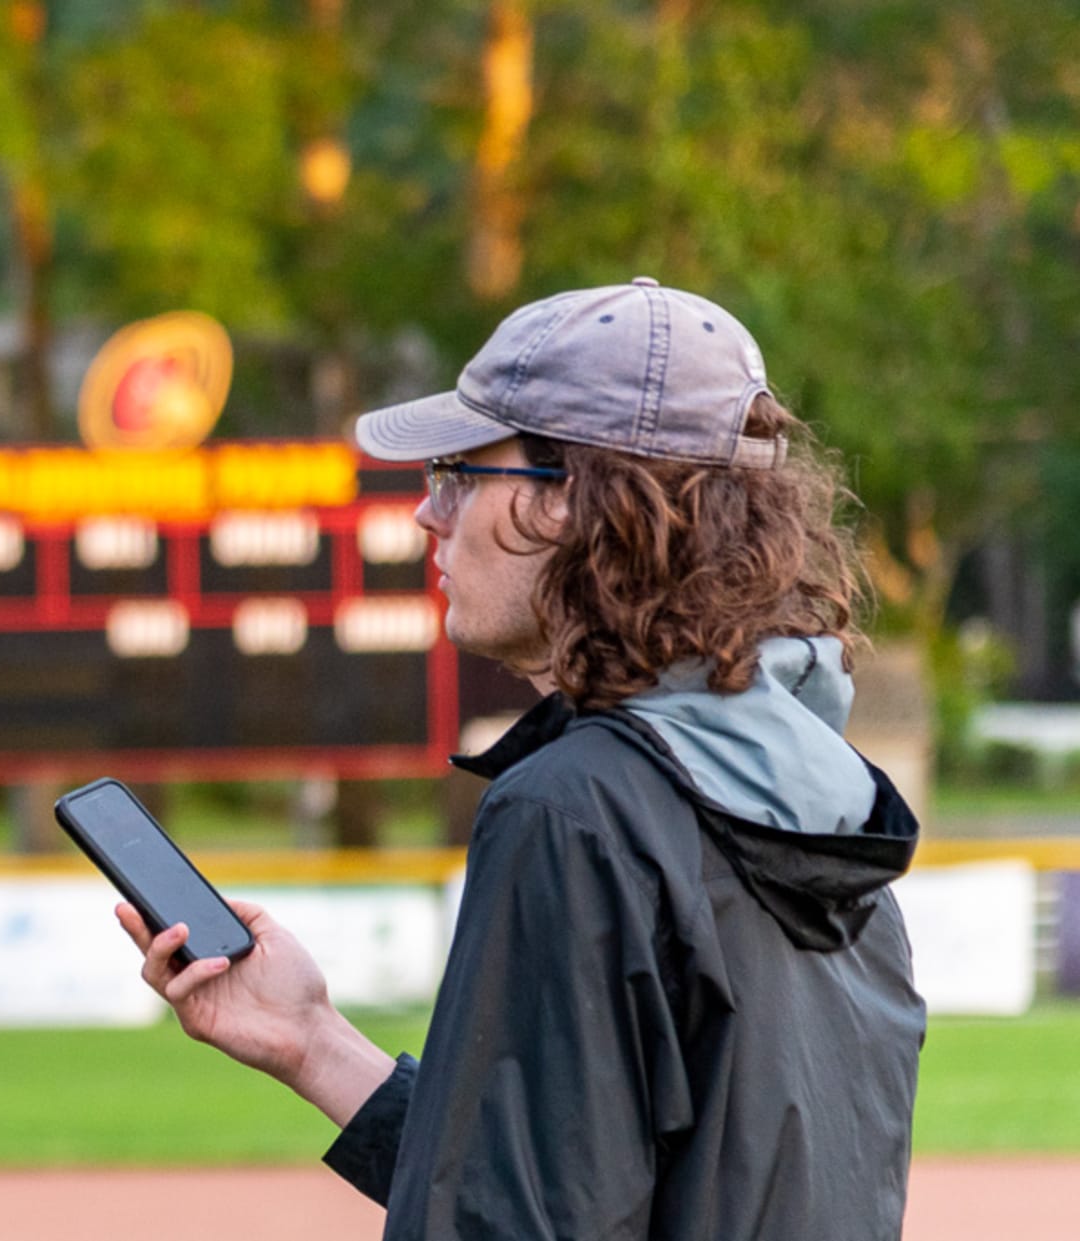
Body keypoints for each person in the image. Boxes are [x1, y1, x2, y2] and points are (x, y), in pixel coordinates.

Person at [120, 278, 924, 1240]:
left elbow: (514, 1220)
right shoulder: (820, 798)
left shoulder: (574, 808)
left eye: (458, 474)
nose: (429, 515)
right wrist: (312, 1041)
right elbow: (617, 1178)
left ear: (575, 501)